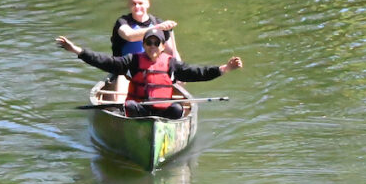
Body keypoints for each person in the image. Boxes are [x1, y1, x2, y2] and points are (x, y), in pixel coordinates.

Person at [55, 30, 243, 119]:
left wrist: (224, 69)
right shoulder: (133, 61)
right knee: (128, 106)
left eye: (156, 43)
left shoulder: (171, 63)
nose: (152, 46)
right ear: (144, 45)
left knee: (178, 110)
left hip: (163, 110)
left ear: (162, 46)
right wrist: (77, 51)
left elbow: (196, 72)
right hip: (140, 108)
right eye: (149, 43)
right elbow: (106, 61)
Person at [110, 0, 177, 59]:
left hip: (152, 69)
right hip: (126, 67)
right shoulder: (122, 22)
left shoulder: (158, 23)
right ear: (129, 5)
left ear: (148, 4)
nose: (137, 7)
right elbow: (130, 36)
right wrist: (157, 28)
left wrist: (180, 66)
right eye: (134, 4)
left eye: (140, 3)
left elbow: (171, 53)